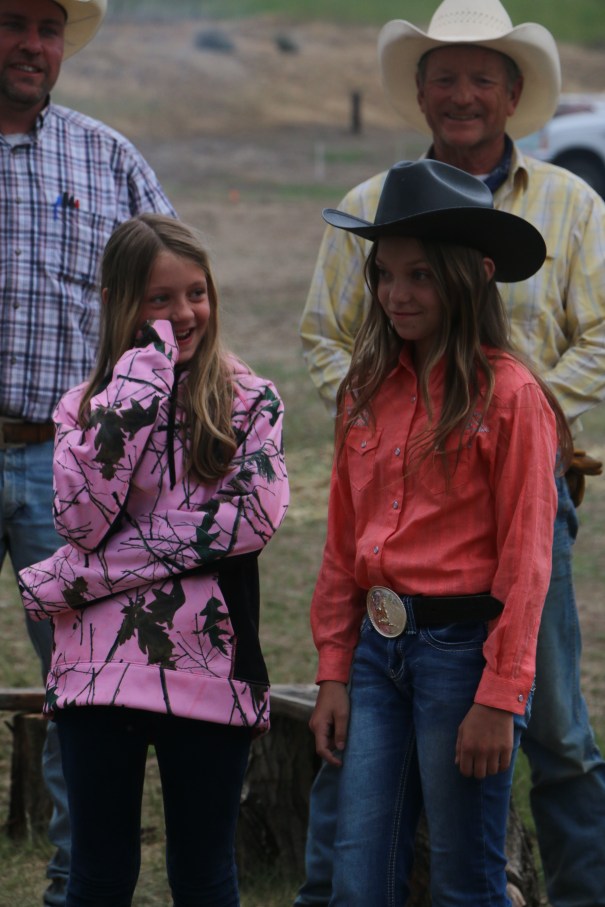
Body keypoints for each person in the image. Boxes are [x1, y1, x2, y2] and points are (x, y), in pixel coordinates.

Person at [297, 2, 605, 906]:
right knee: (361, 741)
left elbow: (602, 333)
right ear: (420, 92)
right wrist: (388, 416)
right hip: (394, 546)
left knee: (553, 724)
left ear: (511, 94)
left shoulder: (570, 204)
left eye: (480, 78)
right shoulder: (373, 206)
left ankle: (582, 889)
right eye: (444, 78)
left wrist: (518, 416)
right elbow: (323, 336)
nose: (461, 95)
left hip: (516, 500)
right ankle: (329, 884)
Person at [17, 213, 289, 906]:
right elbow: (80, 521)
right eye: (160, 299)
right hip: (97, 677)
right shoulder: (82, 408)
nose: (184, 313)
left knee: (203, 877)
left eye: (197, 293)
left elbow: (251, 521)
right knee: (99, 878)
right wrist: (139, 383)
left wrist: (86, 576)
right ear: (119, 305)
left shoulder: (250, 401)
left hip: (212, 670)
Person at [0, 2, 177, 904]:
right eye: (13, 21)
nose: (33, 44)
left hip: (69, 466)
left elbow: (177, 304)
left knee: (85, 678)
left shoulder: (107, 159)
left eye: (49, 27)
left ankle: (81, 885)